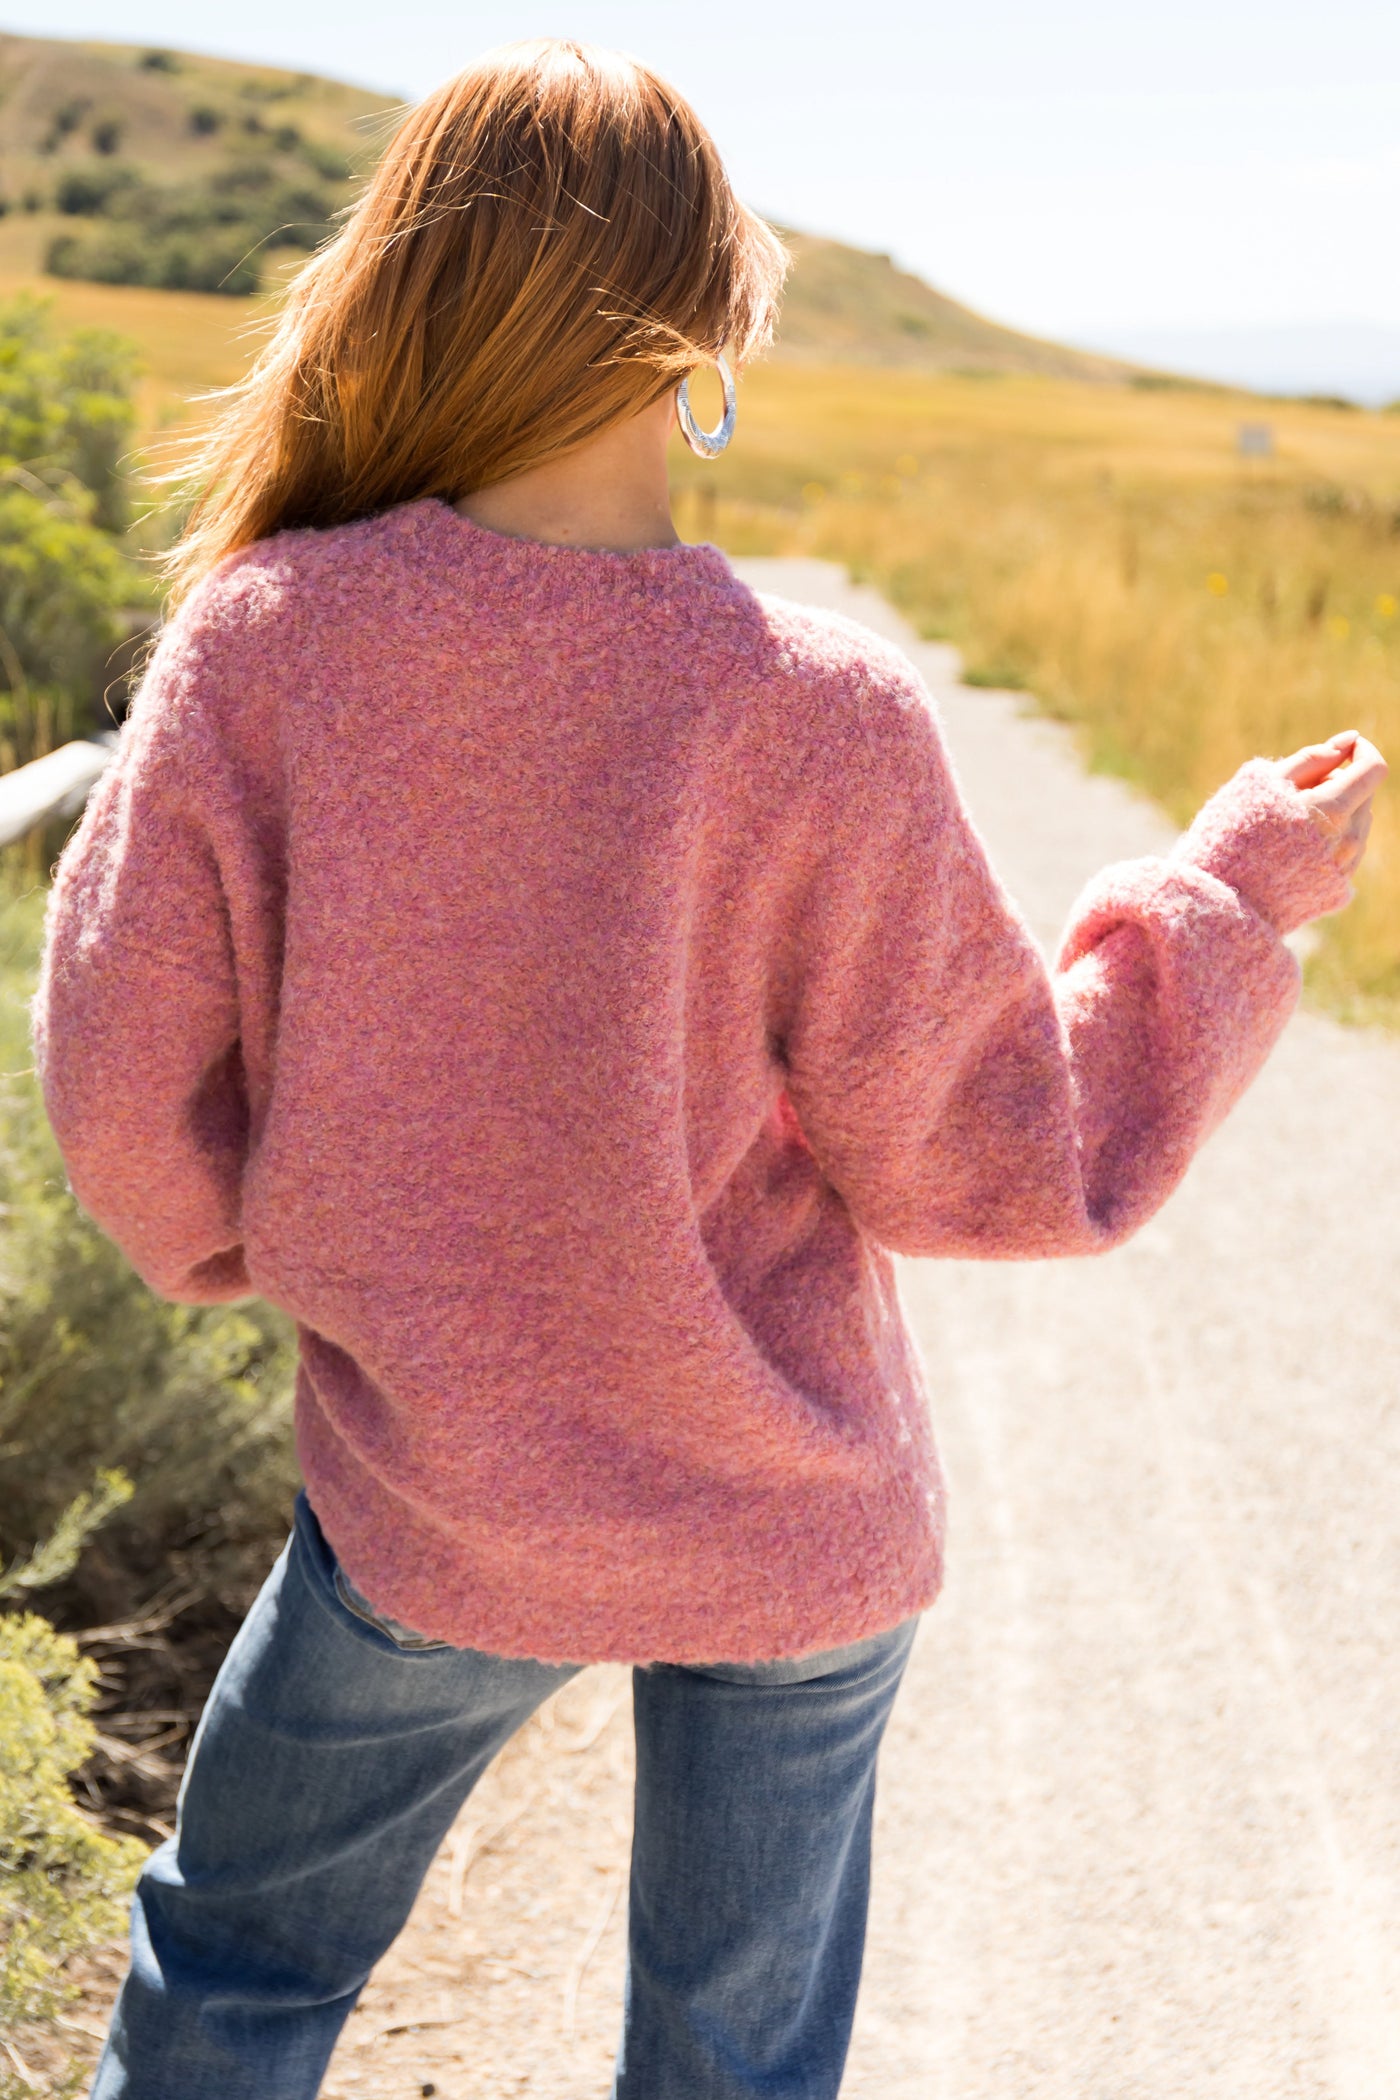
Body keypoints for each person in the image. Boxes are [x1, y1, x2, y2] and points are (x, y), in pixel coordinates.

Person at [34, 38, 1384, 2100]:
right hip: (793, 1523)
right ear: (708, 328)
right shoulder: (813, 709)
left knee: (235, 1971)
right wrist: (1224, 898)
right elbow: (991, 1163)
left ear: (407, 281)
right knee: (734, 2066)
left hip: (427, 1499)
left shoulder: (268, 640)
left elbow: (122, 1070)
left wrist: (273, 1260)